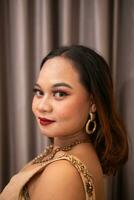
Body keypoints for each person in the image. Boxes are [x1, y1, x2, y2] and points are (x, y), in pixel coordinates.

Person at [0, 45, 128, 200]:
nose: (42, 106)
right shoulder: (76, 150)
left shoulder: (62, 172)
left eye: (60, 93)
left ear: (93, 102)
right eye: (39, 92)